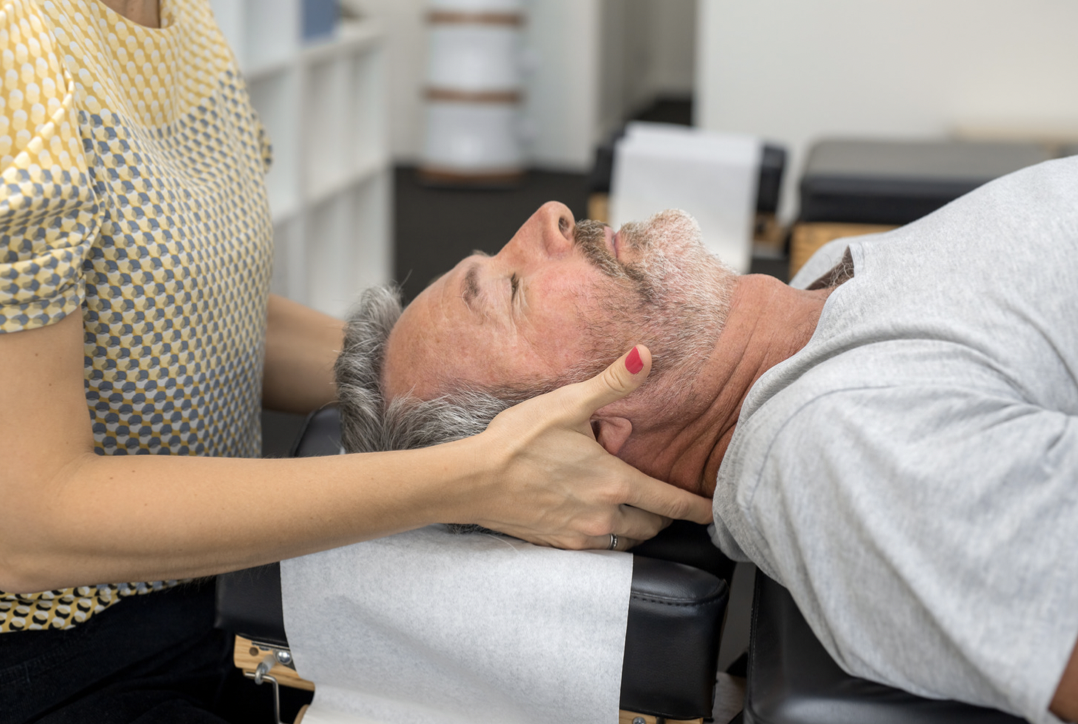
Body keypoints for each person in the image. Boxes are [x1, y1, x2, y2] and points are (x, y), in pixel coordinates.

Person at [0, 1, 713, 721]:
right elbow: (24, 525)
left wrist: (460, 400)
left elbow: (195, 314)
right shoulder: (18, 42)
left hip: (200, 597)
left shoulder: (181, 19)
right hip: (49, 656)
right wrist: (472, 477)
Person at [338, 158, 1078, 723]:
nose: (549, 215)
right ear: (585, 436)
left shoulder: (813, 293)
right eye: (512, 289)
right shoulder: (843, 454)